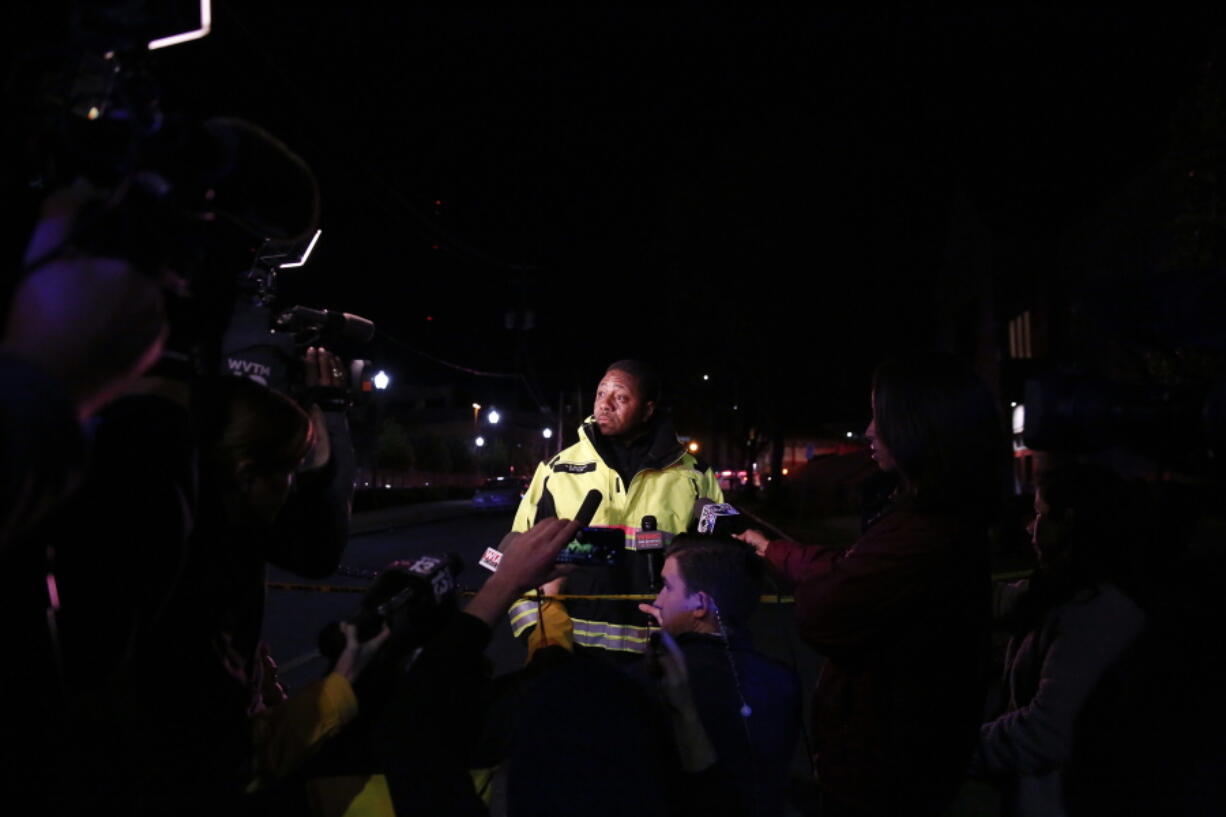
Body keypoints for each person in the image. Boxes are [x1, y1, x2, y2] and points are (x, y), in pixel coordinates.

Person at [737, 352, 1007, 817]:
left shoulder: (924, 533)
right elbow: (850, 568)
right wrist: (768, 548)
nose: (867, 431)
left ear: (918, 426)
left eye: (879, 417)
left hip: (887, 778)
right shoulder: (925, 520)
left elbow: (825, 609)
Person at [508, 360, 724, 656]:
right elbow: (516, 558)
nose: (604, 405)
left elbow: (718, 568)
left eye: (620, 397)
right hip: (572, 657)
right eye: (600, 394)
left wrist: (696, 641)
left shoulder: (696, 476)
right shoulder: (556, 471)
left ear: (648, 410)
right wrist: (539, 633)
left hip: (663, 659)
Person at [970, 464, 1147, 817]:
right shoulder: (1063, 589)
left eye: (1041, 516)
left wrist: (952, 751)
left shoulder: (1097, 611)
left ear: (1073, 524)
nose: (1030, 528)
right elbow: (1006, 600)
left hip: (1065, 800)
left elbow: (1045, 733)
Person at [636, 534, 801, 817]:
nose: (657, 600)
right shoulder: (783, 681)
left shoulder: (659, 684)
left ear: (700, 605)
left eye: (667, 586)